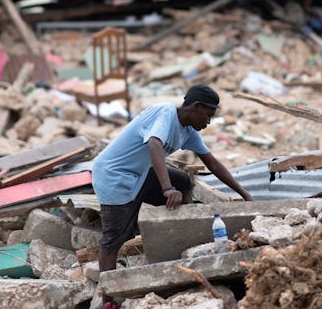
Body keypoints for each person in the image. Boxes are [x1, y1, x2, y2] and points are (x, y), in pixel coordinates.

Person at [92, 84, 252, 308]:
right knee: (112, 241)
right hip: (113, 176)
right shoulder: (165, 113)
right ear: (195, 107)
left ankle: (180, 236)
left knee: (183, 181)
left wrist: (245, 195)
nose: (208, 122)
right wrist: (167, 188)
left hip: (138, 175)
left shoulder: (188, 132)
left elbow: (213, 163)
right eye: (207, 115)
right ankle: (108, 300)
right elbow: (154, 144)